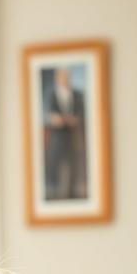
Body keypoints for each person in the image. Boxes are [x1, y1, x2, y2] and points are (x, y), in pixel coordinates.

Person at [43, 66, 87, 201]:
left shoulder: (78, 95)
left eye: (66, 77)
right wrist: (61, 120)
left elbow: (79, 116)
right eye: (61, 77)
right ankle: (57, 194)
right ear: (57, 79)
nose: (64, 80)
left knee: (74, 164)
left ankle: (73, 193)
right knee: (57, 165)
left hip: (74, 137)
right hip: (57, 138)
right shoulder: (52, 96)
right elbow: (52, 117)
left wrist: (69, 120)